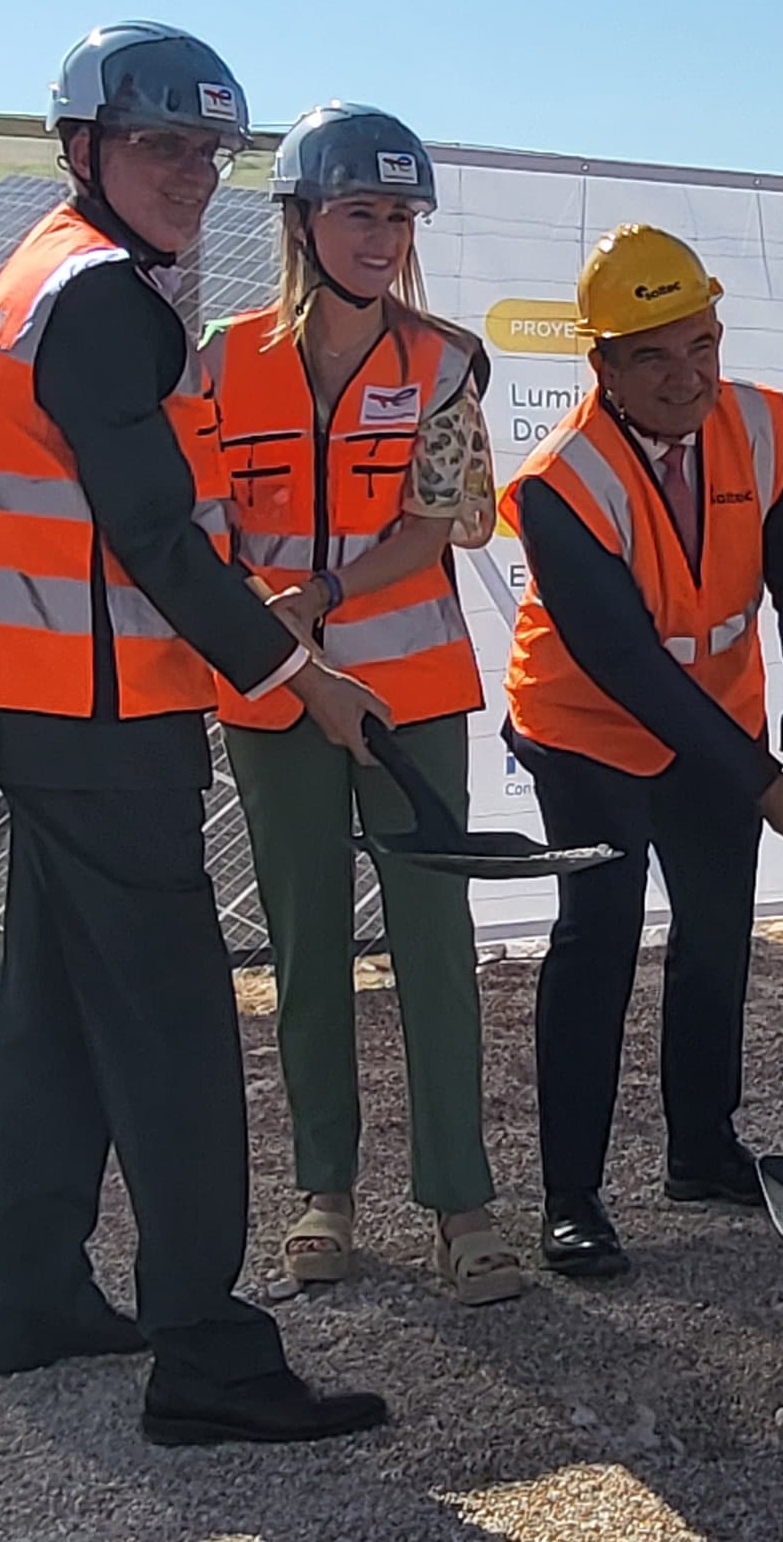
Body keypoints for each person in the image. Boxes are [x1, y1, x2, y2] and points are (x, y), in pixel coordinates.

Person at [0, 22, 390, 1446]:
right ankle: (210, 1355)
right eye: (158, 144)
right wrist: (301, 677)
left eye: (207, 150)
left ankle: (29, 1293)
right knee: (178, 1034)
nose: (189, 172)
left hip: (19, 700)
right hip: (94, 714)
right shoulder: (110, 299)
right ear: (85, 147)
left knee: (52, 1012)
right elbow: (157, 540)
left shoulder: (42, 276)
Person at [198, 103, 519, 1306]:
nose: (383, 238)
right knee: (306, 947)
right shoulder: (220, 362)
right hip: (271, 693)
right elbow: (199, 529)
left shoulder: (444, 361)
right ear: (301, 221)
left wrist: (320, 590)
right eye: (360, 213)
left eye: (400, 215)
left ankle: (463, 1204)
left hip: (410, 689)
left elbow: (441, 525)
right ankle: (322, 1193)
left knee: (433, 946)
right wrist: (269, 623)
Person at [499, 223, 783, 1277]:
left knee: (715, 936)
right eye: (649, 355)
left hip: (721, 716)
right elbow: (626, 665)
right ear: (600, 363)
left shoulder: (762, 425)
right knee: (598, 940)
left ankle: (702, 1148)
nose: (683, 376)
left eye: (699, 344)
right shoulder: (563, 482)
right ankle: (571, 1196)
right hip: (589, 728)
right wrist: (762, 785)